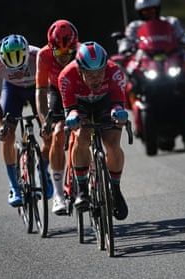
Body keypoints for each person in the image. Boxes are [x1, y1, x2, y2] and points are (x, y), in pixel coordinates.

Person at [58, 41, 129, 221]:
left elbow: (118, 103)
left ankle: (115, 190)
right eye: (90, 74)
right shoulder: (66, 76)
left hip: (105, 105)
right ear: (80, 71)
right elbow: (70, 109)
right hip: (80, 107)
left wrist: (118, 113)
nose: (96, 78)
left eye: (100, 72)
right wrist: (72, 117)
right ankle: (82, 189)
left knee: (112, 144)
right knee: (81, 138)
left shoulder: (115, 72)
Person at [119, 0, 185, 130]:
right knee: (130, 75)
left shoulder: (171, 22)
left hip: (170, 58)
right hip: (145, 60)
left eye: (152, 10)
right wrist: (125, 48)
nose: (150, 13)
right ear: (140, 12)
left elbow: (181, 35)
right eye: (146, 11)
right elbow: (128, 40)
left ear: (158, 9)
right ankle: (136, 103)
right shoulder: (134, 26)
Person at [0, 34, 52, 207]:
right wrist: (1, 127)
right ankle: (14, 186)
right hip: (12, 90)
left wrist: (48, 119)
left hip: (37, 89)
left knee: (49, 133)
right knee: (8, 135)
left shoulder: (38, 55)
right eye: (11, 68)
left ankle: (43, 170)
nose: (17, 71)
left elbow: (50, 88)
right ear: (3, 60)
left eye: (20, 66)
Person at [36, 19, 79, 215]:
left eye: (68, 53)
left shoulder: (81, 50)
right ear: (51, 48)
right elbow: (41, 91)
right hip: (56, 90)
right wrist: (45, 120)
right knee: (58, 132)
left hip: (79, 86)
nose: (63, 57)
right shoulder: (43, 55)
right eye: (59, 53)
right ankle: (59, 195)